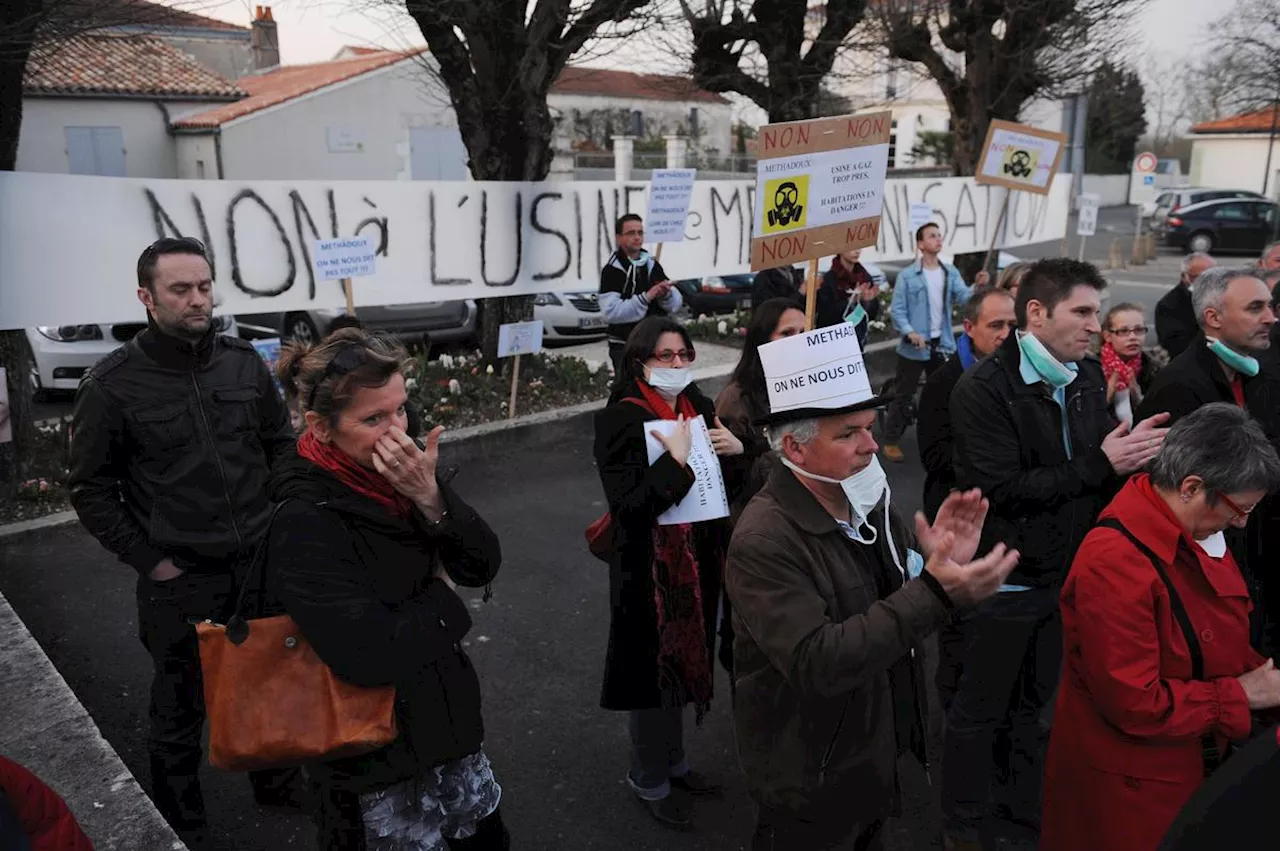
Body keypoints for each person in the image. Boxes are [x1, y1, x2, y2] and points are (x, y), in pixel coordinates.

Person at [726, 325, 1022, 850]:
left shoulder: (863, 498)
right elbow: (818, 662)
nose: (870, 446)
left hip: (867, 750)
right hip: (810, 774)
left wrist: (935, 564)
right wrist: (934, 590)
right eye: (848, 434)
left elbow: (897, 597)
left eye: (870, 427)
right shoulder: (764, 538)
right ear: (793, 446)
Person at [66, 236, 302, 843]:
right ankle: (181, 819)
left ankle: (274, 783)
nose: (198, 299)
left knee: (267, 683)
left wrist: (280, 512)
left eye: (204, 286)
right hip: (181, 579)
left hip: (258, 563)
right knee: (179, 707)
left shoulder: (242, 361)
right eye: (181, 289)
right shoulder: (113, 384)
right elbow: (91, 488)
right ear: (147, 297)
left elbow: (278, 442)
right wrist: (152, 561)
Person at [945, 257, 1170, 849]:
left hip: (1070, 576)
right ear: (1037, 313)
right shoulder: (984, 389)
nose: (1097, 325)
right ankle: (962, 823)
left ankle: (1022, 808)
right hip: (1005, 580)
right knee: (978, 712)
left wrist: (1124, 459)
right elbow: (1002, 492)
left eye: (1099, 312)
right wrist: (1102, 463)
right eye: (1084, 312)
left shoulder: (1090, 376)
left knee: (1037, 711)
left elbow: (1093, 472)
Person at [266, 328, 506, 851]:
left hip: (444, 725)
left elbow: (481, 564)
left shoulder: (402, 473)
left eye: (400, 410)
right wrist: (442, 599)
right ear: (320, 428)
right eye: (374, 419)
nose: (397, 430)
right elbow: (366, 653)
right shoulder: (304, 516)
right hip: (371, 756)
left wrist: (433, 498)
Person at [1041, 403, 1280, 851]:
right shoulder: (1114, 562)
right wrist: (1244, 694)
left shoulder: (1192, 527)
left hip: (1185, 764)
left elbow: (1217, 636)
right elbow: (1133, 703)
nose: (1243, 523)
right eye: (1240, 509)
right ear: (1191, 487)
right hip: (1134, 792)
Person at [593, 316, 742, 830]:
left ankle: (675, 763)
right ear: (640, 362)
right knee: (650, 676)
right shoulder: (618, 420)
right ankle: (648, 776)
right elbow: (630, 507)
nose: (677, 365)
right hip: (645, 573)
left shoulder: (697, 406)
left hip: (698, 563)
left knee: (684, 659)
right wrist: (675, 465)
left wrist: (739, 453)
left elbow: (722, 488)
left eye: (684, 355)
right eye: (665, 356)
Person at [1136, 266, 1280, 651]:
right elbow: (1171, 492)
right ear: (1213, 318)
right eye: (1255, 308)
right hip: (1207, 570)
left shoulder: (1259, 374)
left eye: (1269, 306)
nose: (1271, 317)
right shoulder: (1179, 385)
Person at [713, 299, 807, 681]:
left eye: (804, 333)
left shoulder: (808, 384)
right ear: (762, 341)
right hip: (758, 534)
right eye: (787, 334)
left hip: (806, 528)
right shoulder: (737, 399)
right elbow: (728, 484)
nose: (797, 341)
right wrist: (753, 451)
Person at [918, 288, 1017, 523]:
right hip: (959, 512)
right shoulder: (942, 382)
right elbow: (934, 457)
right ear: (970, 328)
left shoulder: (1020, 373)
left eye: (1013, 325)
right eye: (996, 325)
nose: (1006, 334)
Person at [883, 222, 973, 462]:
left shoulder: (949, 272)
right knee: (903, 394)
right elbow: (898, 311)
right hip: (914, 347)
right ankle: (890, 440)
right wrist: (910, 332)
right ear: (921, 244)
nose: (938, 239)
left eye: (939, 235)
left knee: (944, 391)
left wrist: (978, 287)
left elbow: (964, 298)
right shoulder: (908, 276)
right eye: (932, 236)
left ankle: (939, 437)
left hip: (941, 343)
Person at [599, 214, 683, 375]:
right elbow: (610, 312)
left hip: (657, 345)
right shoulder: (611, 270)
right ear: (618, 238)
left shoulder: (652, 264)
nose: (637, 237)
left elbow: (675, 304)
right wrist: (646, 297)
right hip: (625, 346)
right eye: (631, 233)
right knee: (631, 394)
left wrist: (666, 294)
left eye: (640, 233)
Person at [1101, 302, 1159, 425]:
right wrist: (1106, 399)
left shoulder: (1153, 368)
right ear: (1107, 336)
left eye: (1139, 330)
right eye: (1123, 331)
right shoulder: (1091, 367)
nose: (1133, 337)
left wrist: (1139, 400)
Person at [816, 248, 882, 346]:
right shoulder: (830, 279)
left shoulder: (864, 276)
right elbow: (825, 314)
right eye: (852, 248)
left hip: (858, 339)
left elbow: (871, 314)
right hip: (834, 341)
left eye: (859, 248)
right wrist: (851, 300)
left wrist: (867, 301)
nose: (857, 251)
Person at [1157, 252, 1216, 358]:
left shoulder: (1221, 296)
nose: (1206, 282)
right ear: (1185, 276)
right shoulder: (1169, 305)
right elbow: (1175, 345)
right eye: (1198, 277)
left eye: (1211, 276)